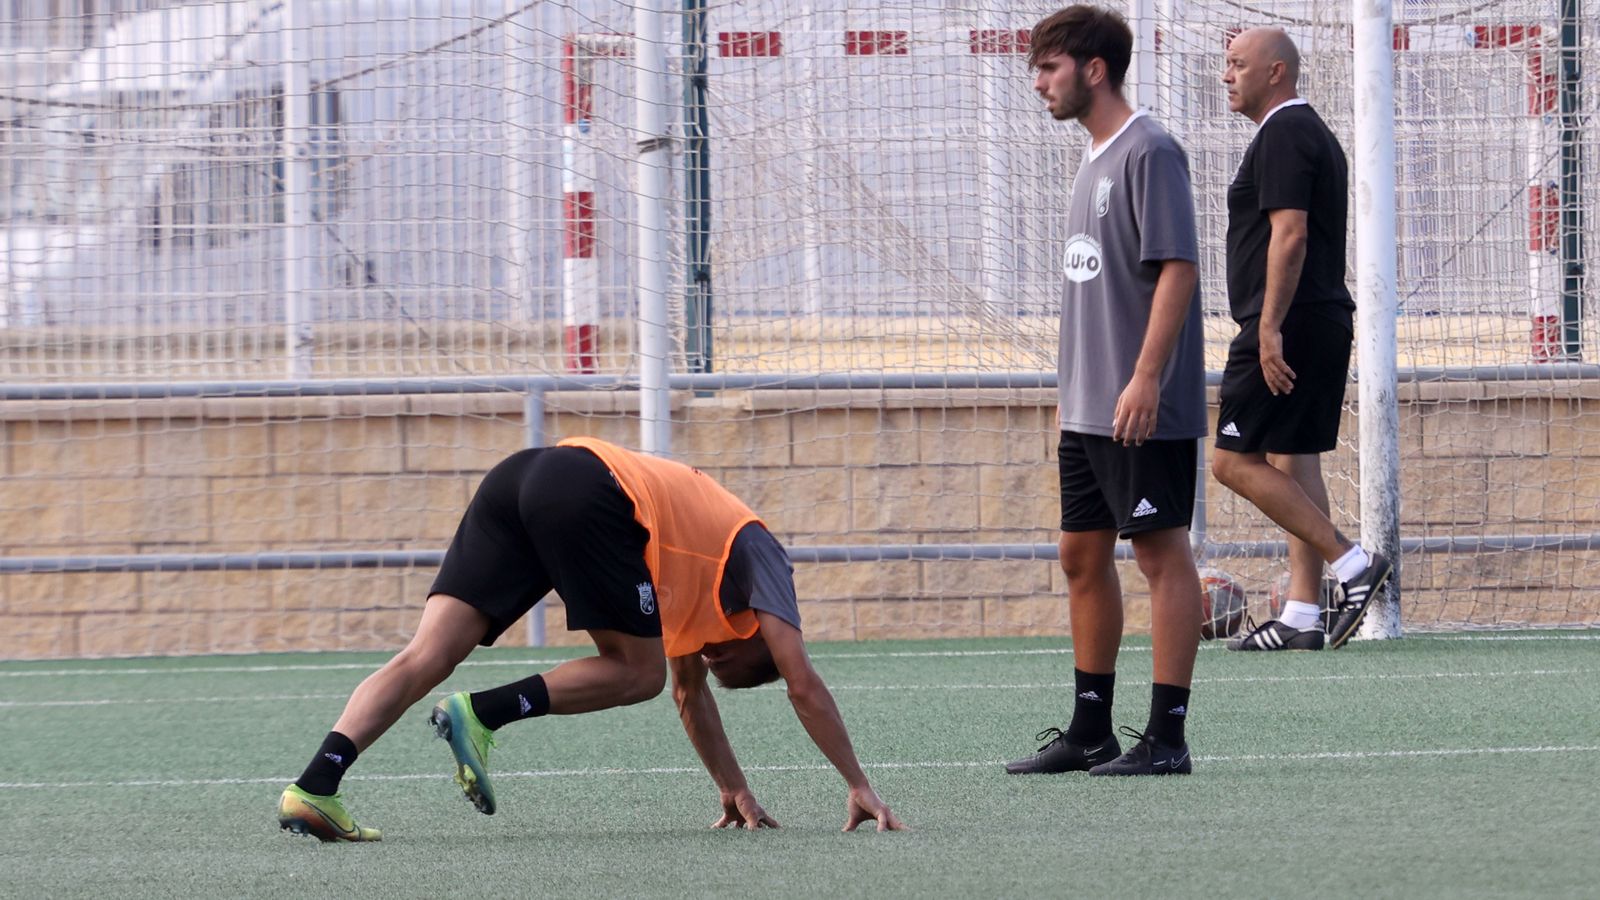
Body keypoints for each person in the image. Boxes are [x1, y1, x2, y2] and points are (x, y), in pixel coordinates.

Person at [277, 436, 905, 841]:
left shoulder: (697, 591)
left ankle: (315, 786)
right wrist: (857, 782)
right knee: (637, 671)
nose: (708, 656)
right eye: (723, 657)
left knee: (428, 654)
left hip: (520, 474)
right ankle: (482, 712)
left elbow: (689, 696)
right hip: (589, 488)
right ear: (755, 637)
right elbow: (803, 683)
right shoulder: (763, 558)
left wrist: (733, 787)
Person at [1005, 5, 1206, 777]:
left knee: (1159, 554)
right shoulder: (1094, 157)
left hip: (1138, 403)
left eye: (1048, 68)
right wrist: (1075, 387)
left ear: (1093, 69)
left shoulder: (1150, 150)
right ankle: (1091, 730)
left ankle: (1168, 737)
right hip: (1088, 405)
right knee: (1080, 556)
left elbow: (1179, 270)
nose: (1038, 84)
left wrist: (1146, 378)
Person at [1211, 27, 1393, 652]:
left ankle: (1354, 565)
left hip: (1287, 323)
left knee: (1232, 461)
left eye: (1238, 64)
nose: (1226, 75)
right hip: (1313, 320)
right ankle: (1301, 615)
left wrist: (1266, 327)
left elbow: (1290, 234)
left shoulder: (1287, 130)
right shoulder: (1298, 130)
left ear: (1277, 72)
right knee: (1293, 455)